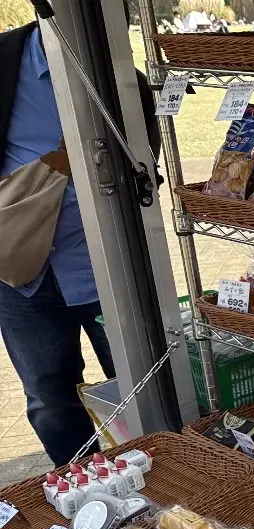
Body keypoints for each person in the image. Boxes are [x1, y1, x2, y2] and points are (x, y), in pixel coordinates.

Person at [0, 23, 157, 467]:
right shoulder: (7, 60)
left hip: (110, 267)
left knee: (142, 388)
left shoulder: (124, 80)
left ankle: (159, 479)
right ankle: (82, 488)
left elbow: (145, 168)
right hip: (20, 274)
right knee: (49, 398)